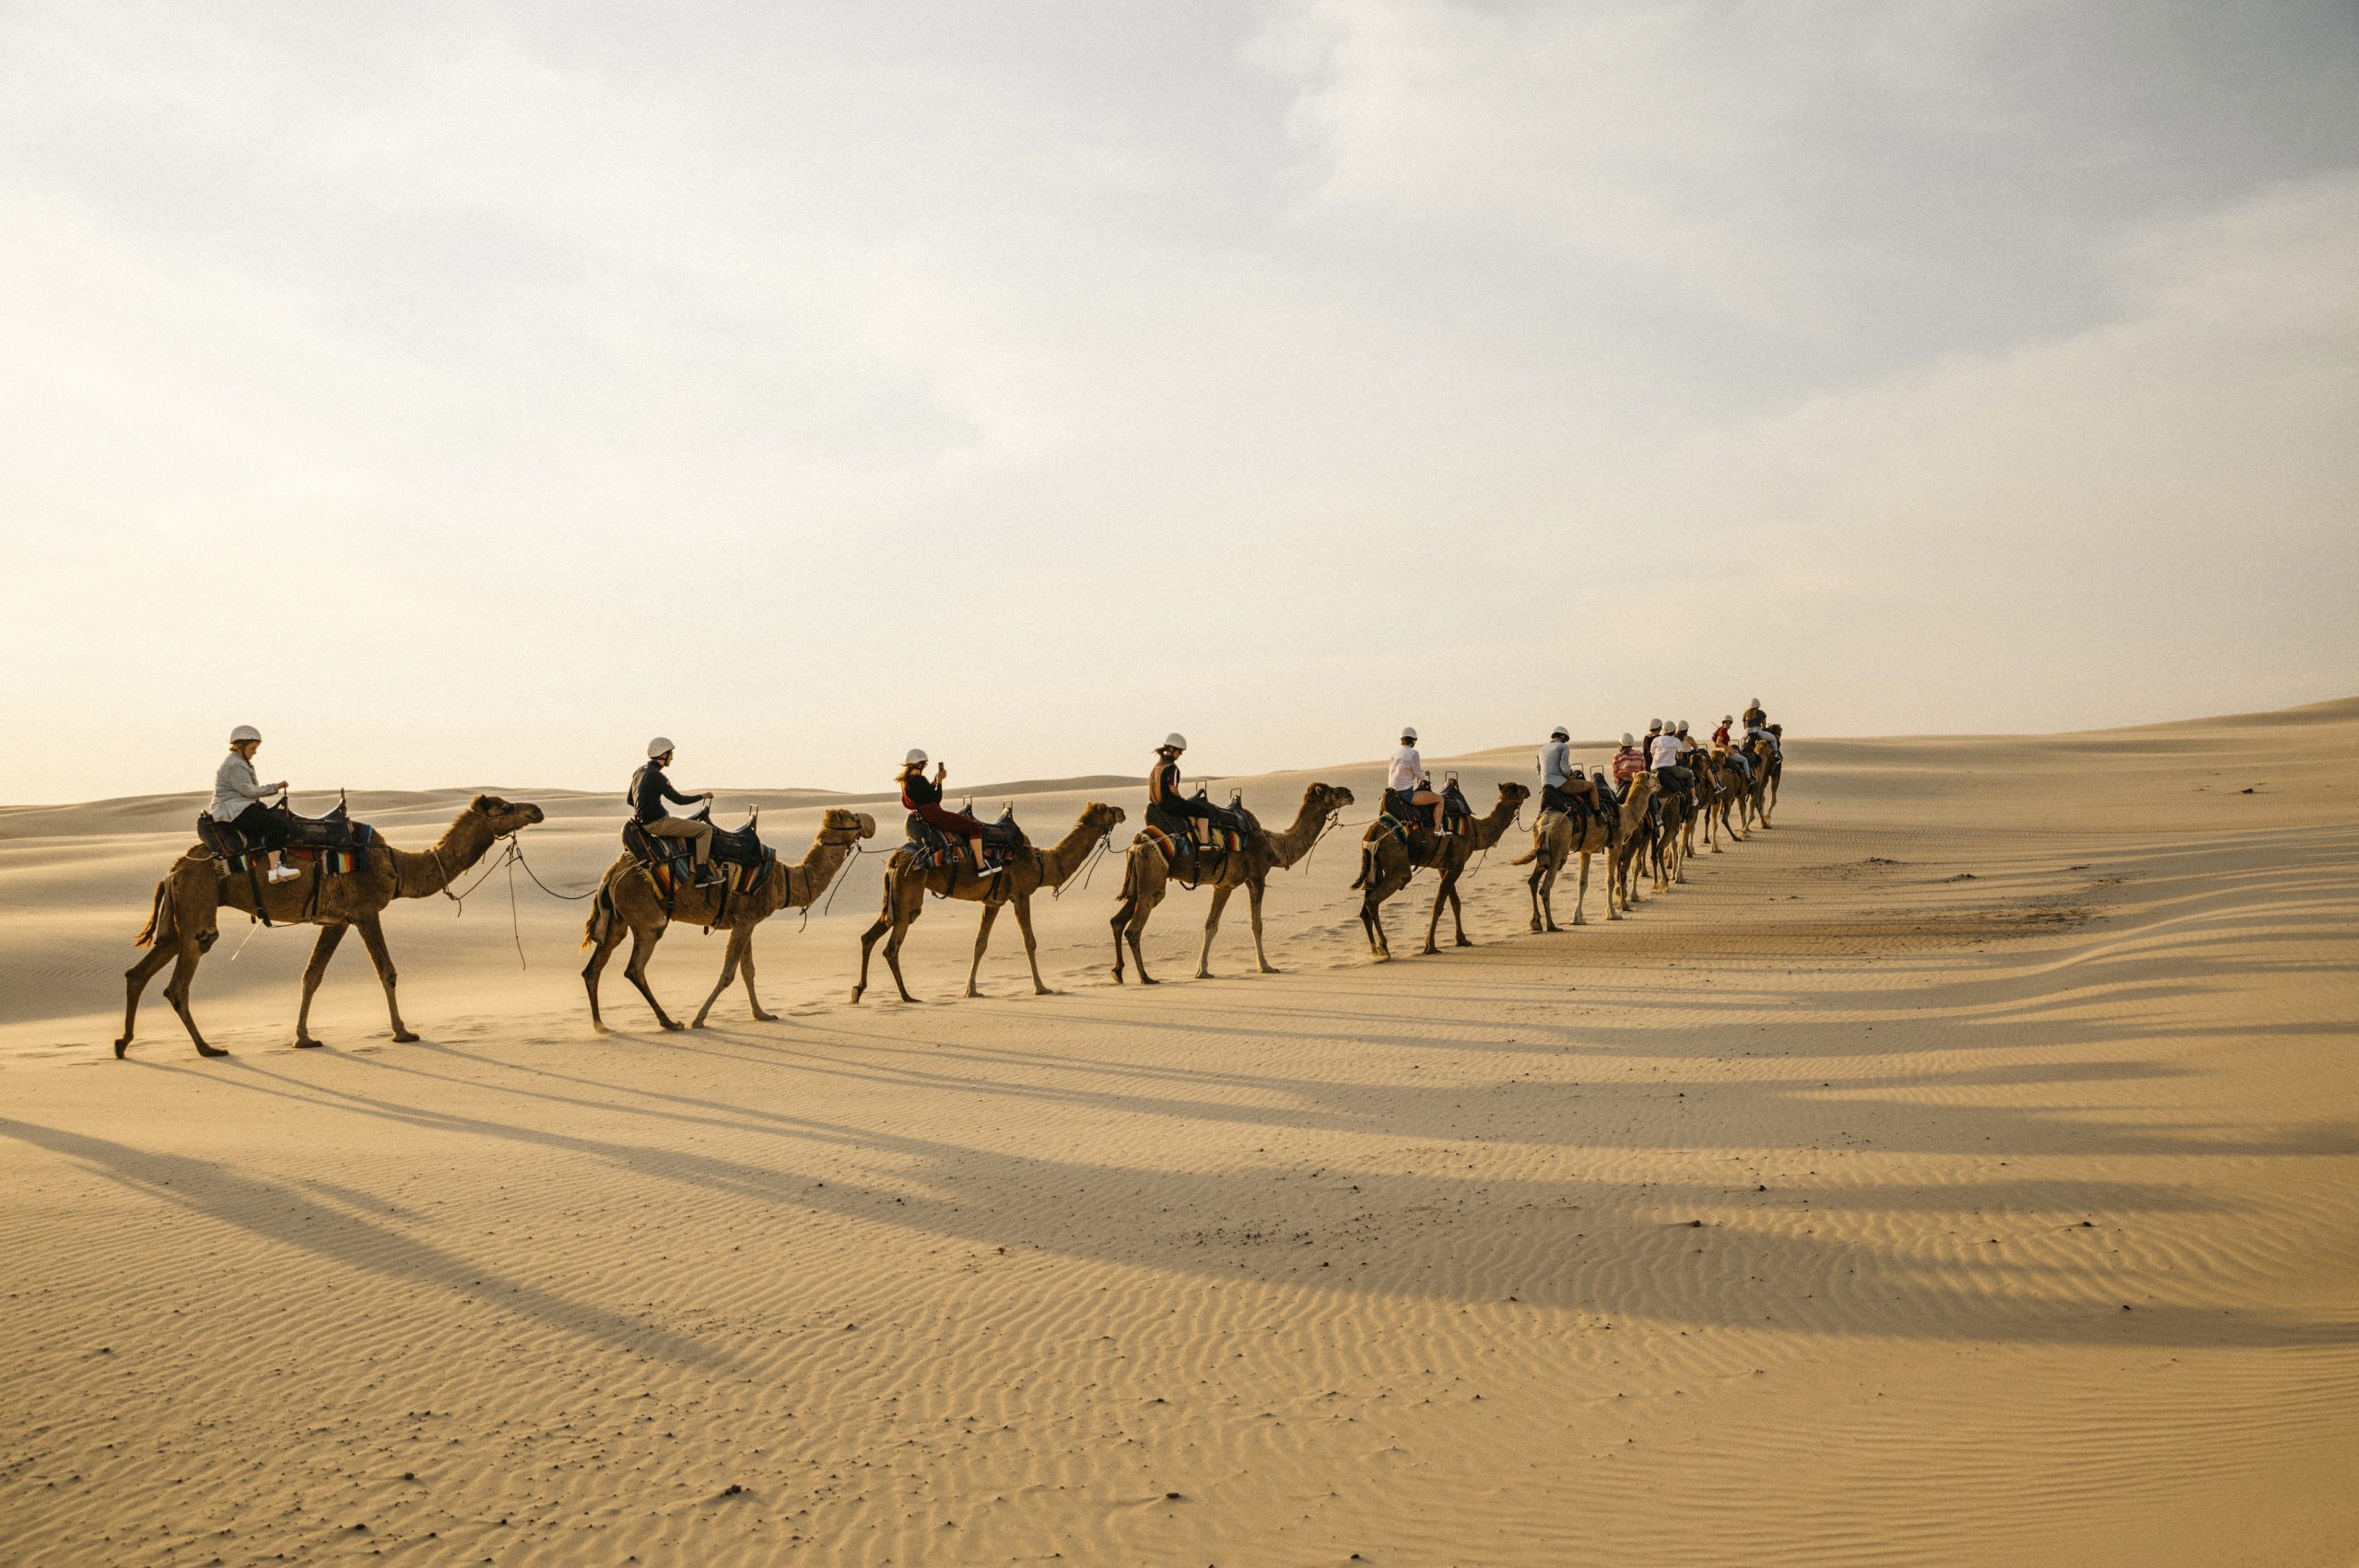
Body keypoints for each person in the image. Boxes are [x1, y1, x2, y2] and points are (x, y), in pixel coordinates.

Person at [213, 724, 299, 883]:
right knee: (275, 825)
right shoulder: (235, 765)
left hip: (238, 807)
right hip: (234, 810)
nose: (254, 752)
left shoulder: (238, 762)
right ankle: (275, 870)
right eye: (252, 748)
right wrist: (276, 787)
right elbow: (250, 791)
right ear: (241, 746)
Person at [631, 737, 720, 884]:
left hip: (644, 822)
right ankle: (702, 876)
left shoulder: (639, 772)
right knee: (705, 830)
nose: (672, 757)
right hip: (657, 823)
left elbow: (630, 800)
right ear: (663, 755)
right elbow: (678, 799)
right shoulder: (656, 776)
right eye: (670, 754)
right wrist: (702, 796)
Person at [898, 748, 994, 873]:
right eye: (924, 764)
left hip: (925, 815)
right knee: (973, 827)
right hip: (935, 815)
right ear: (920, 764)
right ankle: (981, 866)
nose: (925, 767)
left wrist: (934, 782)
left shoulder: (907, 782)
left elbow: (924, 795)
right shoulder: (919, 780)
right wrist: (940, 782)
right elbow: (935, 798)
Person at [1147, 734, 1245, 848]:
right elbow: (1173, 789)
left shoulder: (1156, 767)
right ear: (1171, 749)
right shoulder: (1171, 768)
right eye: (1179, 752)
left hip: (1156, 805)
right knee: (1202, 811)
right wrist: (1180, 799)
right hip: (1170, 805)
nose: (1180, 755)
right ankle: (1204, 843)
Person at [1390, 727, 1448, 837]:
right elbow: (1417, 773)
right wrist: (1425, 774)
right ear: (1413, 740)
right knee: (1440, 799)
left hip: (1392, 791)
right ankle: (1437, 830)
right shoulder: (1413, 753)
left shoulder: (1395, 753)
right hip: (1406, 793)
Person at [1536, 725, 1598, 819]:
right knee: (1592, 786)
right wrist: (1570, 775)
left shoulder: (1541, 750)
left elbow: (1539, 771)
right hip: (1560, 785)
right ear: (1563, 737)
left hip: (1545, 786)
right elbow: (1564, 768)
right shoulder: (1563, 747)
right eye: (1565, 739)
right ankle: (1598, 815)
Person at [1610, 731, 1648, 797]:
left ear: (1621, 745)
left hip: (1624, 783)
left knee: (1616, 801)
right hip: (1638, 782)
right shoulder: (1639, 754)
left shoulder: (1616, 756)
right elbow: (1643, 770)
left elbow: (1615, 774)